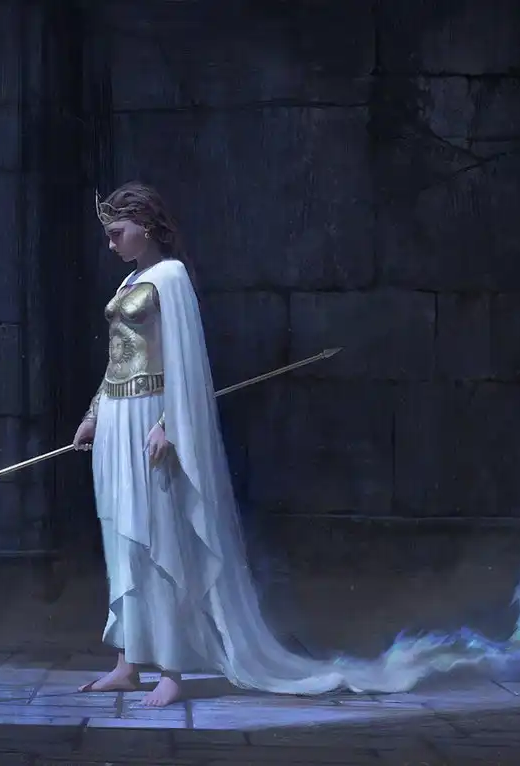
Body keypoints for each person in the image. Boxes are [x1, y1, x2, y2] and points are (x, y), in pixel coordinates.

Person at [70, 182, 448, 707]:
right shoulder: (131, 280)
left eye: (118, 232)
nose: (111, 243)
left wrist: (169, 423)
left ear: (147, 226)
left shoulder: (170, 277)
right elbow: (118, 359)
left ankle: (171, 670)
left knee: (162, 539)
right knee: (125, 541)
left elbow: (182, 359)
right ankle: (127, 663)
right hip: (117, 418)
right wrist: (93, 415)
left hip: (151, 417)